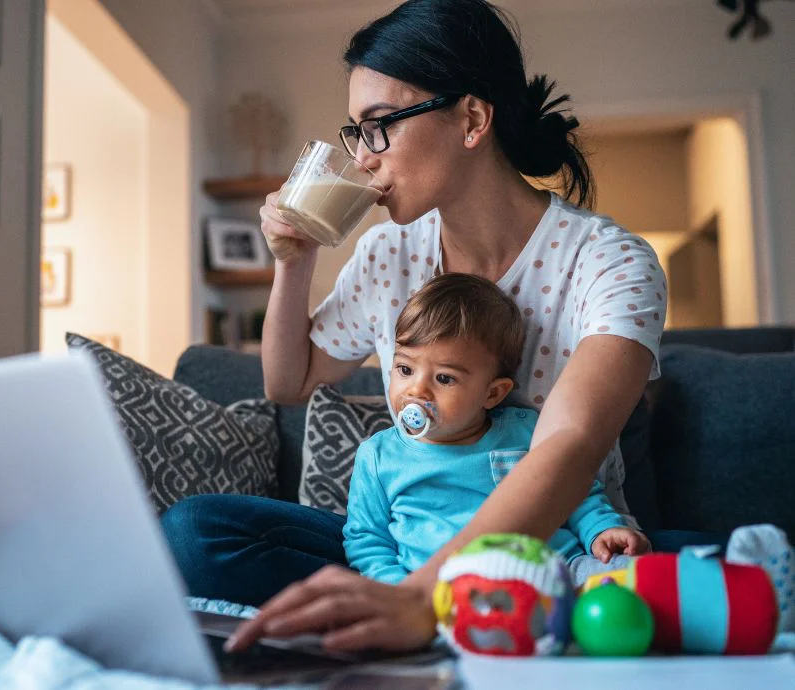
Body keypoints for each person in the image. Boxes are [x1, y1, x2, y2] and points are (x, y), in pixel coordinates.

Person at [162, 0, 715, 654]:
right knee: (197, 533)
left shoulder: (610, 263)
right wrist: (296, 259)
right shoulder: (387, 253)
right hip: (408, 553)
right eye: (356, 133)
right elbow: (290, 382)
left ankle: (444, 614)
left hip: (557, 551)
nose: (364, 158)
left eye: (379, 127)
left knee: (711, 571)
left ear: (472, 118)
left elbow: (566, 446)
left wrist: (424, 597)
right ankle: (420, 612)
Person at [343, 273, 650, 589]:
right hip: (444, 592)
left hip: (556, 572)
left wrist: (602, 529)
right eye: (405, 370)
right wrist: (397, 591)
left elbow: (574, 492)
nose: (416, 390)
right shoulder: (378, 457)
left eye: (445, 379)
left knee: (631, 577)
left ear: (493, 394)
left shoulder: (526, 430)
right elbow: (367, 540)